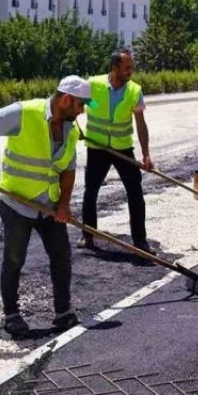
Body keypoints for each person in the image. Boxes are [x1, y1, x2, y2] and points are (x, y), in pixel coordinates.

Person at [0, 75, 91, 337]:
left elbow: (68, 169)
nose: (82, 110)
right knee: (13, 259)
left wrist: (64, 205)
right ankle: (11, 315)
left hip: (50, 205)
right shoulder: (25, 112)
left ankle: (63, 313)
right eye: (81, 104)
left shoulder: (72, 129)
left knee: (61, 256)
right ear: (66, 99)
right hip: (16, 204)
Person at [80, 50, 153, 253]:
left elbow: (141, 124)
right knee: (91, 191)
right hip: (97, 148)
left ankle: (139, 241)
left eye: (131, 67)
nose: (131, 71)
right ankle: (88, 235)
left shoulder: (134, 91)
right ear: (114, 68)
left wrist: (146, 154)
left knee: (135, 192)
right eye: (127, 67)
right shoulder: (93, 84)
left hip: (122, 148)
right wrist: (93, 107)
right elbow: (81, 103)